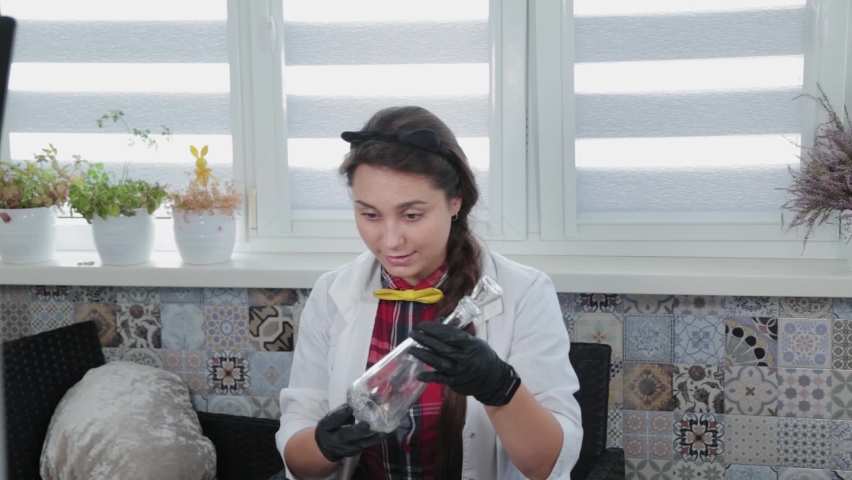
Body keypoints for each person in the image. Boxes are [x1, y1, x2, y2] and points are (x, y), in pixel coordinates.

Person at [276, 106, 583, 480]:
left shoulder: (526, 293)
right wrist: (323, 446)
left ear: (455, 201)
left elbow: (548, 465)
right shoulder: (331, 294)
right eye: (370, 215)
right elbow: (297, 454)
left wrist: (501, 389)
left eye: (411, 215)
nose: (390, 241)